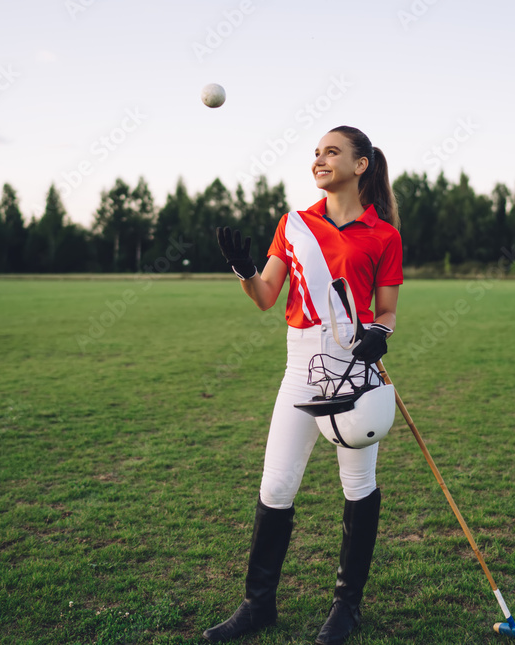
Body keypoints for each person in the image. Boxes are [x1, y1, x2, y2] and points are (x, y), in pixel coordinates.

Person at [204, 126, 403, 645]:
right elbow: (266, 295)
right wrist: (243, 269)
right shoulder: (292, 225)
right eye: (316, 152)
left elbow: (386, 310)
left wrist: (379, 336)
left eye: (332, 152)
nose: (320, 159)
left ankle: (346, 607)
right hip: (300, 370)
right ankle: (256, 605)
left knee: (357, 486)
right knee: (275, 486)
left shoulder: (384, 234)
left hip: (355, 372)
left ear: (360, 166)